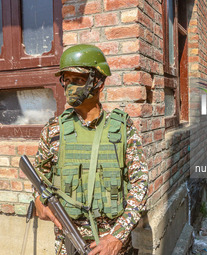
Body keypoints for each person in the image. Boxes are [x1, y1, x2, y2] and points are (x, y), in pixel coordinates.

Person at [33, 44, 148, 255]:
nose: (70, 87)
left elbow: (140, 185)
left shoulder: (122, 128)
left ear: (99, 82)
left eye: (78, 80)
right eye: (66, 80)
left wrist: (117, 236)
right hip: (67, 243)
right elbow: (39, 179)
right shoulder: (53, 130)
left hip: (111, 246)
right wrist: (38, 201)